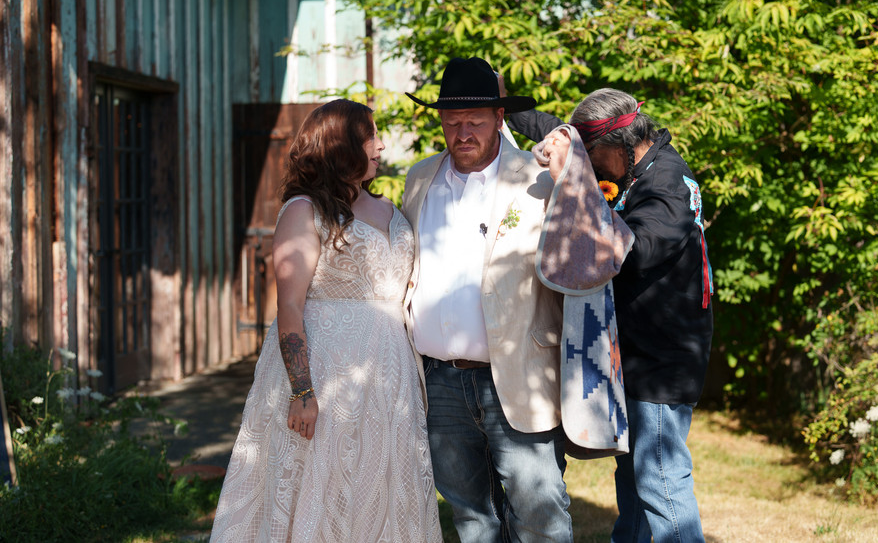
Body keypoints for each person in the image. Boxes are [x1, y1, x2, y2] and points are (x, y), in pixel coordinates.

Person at [210, 100, 442, 543]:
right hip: (328, 373)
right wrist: (302, 392)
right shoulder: (304, 210)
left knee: (382, 480)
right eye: (372, 136)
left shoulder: (390, 208)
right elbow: (290, 306)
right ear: (342, 145)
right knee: (323, 480)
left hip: (389, 371)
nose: (381, 146)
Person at [509, 89, 714, 543]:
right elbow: (559, 132)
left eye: (592, 153)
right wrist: (510, 108)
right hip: (635, 355)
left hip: (662, 360)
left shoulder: (666, 185)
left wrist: (578, 189)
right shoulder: (640, 165)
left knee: (660, 482)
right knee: (635, 485)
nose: (590, 163)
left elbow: (632, 252)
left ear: (617, 144)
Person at [401, 57, 574, 543]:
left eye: (474, 121)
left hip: (517, 374)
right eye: (452, 123)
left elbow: (581, 258)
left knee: (538, 511)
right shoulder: (419, 179)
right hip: (440, 381)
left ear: (500, 118)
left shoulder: (537, 179)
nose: (462, 133)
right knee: (472, 518)